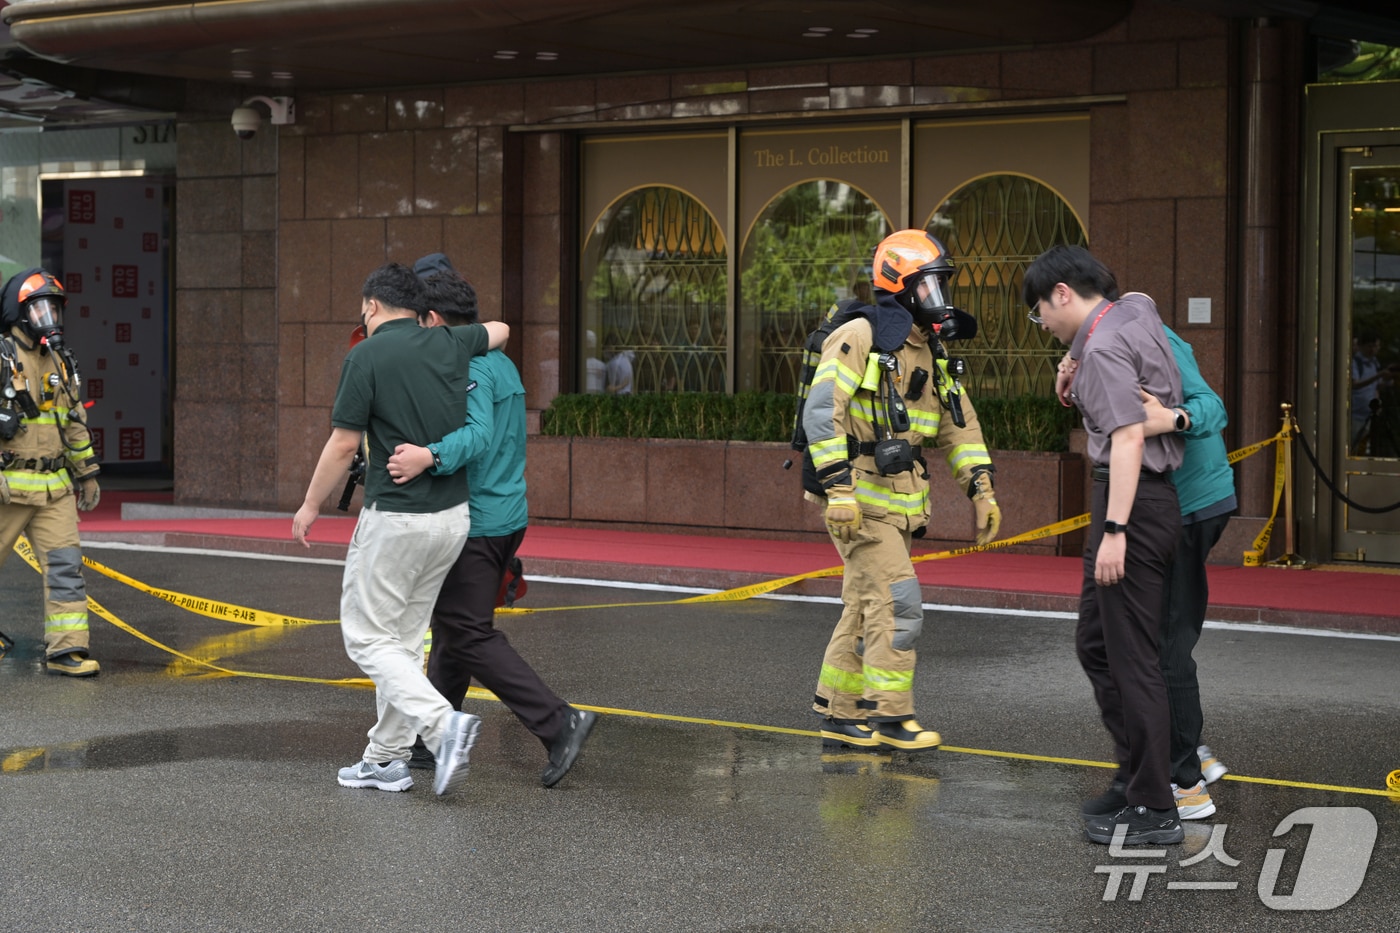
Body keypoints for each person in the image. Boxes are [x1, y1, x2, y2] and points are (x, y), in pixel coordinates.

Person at [292, 262, 508, 797]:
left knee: (366, 638)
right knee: (405, 642)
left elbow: (344, 444)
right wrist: (462, 338)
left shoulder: (365, 356)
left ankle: (443, 726)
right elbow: (501, 331)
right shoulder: (450, 344)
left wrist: (310, 504)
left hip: (396, 518)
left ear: (371, 306)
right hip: (451, 519)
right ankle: (385, 758)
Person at [388, 260, 597, 788]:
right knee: (454, 629)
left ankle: (558, 722)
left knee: (467, 630)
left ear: (433, 320)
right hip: (505, 514)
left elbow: (478, 437)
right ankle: (430, 740)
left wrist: (427, 456)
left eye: (417, 323)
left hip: (479, 520)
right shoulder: (500, 362)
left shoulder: (473, 368)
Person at [806, 229, 1001, 753]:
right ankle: (892, 718)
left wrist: (981, 489)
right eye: (929, 286)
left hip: (898, 500)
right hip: (858, 500)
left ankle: (840, 712)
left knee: (866, 606)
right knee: (898, 602)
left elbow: (960, 425)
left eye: (941, 286)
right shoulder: (860, 337)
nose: (939, 298)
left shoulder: (928, 348)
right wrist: (839, 490)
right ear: (902, 286)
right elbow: (823, 412)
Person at [1023, 245, 1185, 846]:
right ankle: (1136, 775)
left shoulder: (1107, 347)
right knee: (1096, 643)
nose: (1044, 325)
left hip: (1132, 504)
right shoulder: (1131, 313)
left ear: (1062, 292)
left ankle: (1154, 806)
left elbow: (1126, 441)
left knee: (1131, 657)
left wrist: (1114, 532)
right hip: (1137, 501)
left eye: (1041, 311)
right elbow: (1130, 303)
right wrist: (1073, 357)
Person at [1058, 324, 1235, 821]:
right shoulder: (1094, 342)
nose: (1045, 325)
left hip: (1191, 503)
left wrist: (1171, 417)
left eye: (1042, 311)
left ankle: (1185, 781)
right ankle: (1176, 757)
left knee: (1163, 642)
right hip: (1165, 504)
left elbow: (1212, 408)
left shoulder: (1141, 334)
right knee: (1137, 641)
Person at [0, 268, 103, 676]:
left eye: (54, 309)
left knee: (65, 569)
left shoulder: (60, 361)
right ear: (18, 312)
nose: (50, 318)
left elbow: (73, 421)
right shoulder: (2, 355)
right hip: (7, 487)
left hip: (54, 490)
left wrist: (88, 474)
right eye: (40, 308)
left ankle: (66, 650)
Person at [1350, 332, 1394, 450]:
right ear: (1361, 346)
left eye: (1376, 346)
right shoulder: (1355, 363)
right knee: (1353, 447)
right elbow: (1355, 384)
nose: (1373, 349)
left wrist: (1387, 380)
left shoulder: (1374, 362)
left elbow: (1375, 387)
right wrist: (1378, 375)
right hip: (1355, 415)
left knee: (1365, 448)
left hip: (1369, 415)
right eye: (1370, 346)